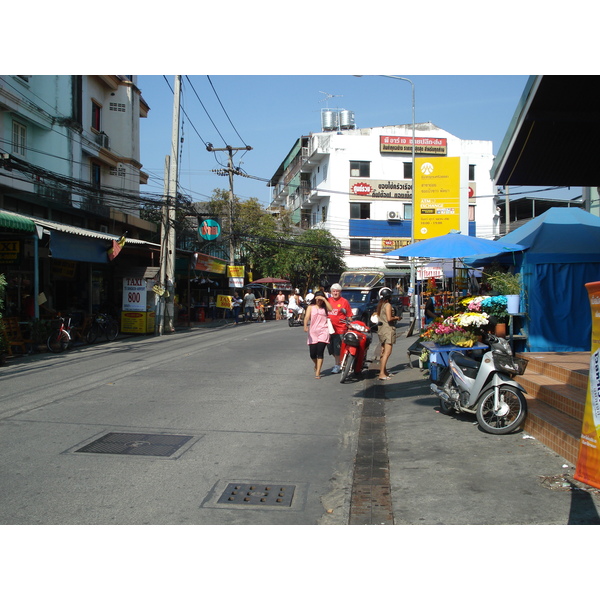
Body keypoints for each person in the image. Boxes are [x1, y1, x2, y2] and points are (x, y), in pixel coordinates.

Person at [303, 291, 332, 379]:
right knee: (312, 354)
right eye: (317, 299)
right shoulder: (311, 307)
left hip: (323, 331)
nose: (319, 301)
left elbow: (331, 309)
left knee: (320, 352)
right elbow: (307, 317)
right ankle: (316, 364)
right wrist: (305, 326)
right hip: (313, 332)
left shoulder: (325, 307)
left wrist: (324, 299)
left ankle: (318, 371)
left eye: (321, 299)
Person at [326, 283, 352, 373]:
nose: (335, 293)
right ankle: (341, 361)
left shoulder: (344, 302)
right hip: (329, 329)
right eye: (334, 291)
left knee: (337, 348)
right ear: (331, 292)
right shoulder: (328, 301)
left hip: (340, 329)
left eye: (337, 291)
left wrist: (350, 325)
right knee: (331, 349)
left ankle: (337, 365)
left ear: (340, 292)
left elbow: (349, 315)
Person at [375, 288, 401, 380]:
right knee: (387, 352)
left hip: (382, 330)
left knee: (383, 351)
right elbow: (389, 318)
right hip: (388, 330)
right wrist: (397, 318)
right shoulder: (388, 305)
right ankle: (382, 374)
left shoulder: (381, 305)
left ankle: (384, 371)